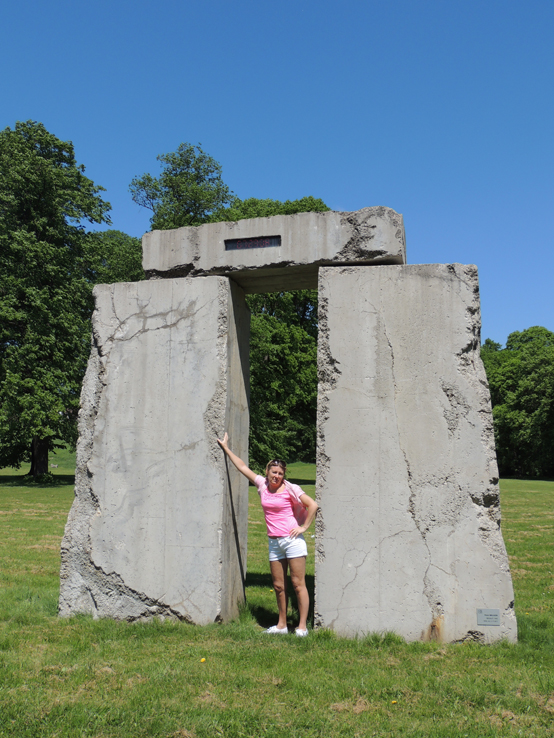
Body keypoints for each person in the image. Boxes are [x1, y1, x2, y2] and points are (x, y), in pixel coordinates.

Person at [217, 433, 318, 636]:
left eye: (280, 473)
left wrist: (304, 528)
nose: (276, 476)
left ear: (283, 475)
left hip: (292, 541)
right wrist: (226, 448)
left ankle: (302, 627)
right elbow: (243, 467)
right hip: (274, 543)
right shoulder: (262, 485)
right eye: (274, 472)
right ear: (267, 472)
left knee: (298, 585)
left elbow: (312, 505)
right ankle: (281, 625)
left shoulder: (291, 488)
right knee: (279, 586)